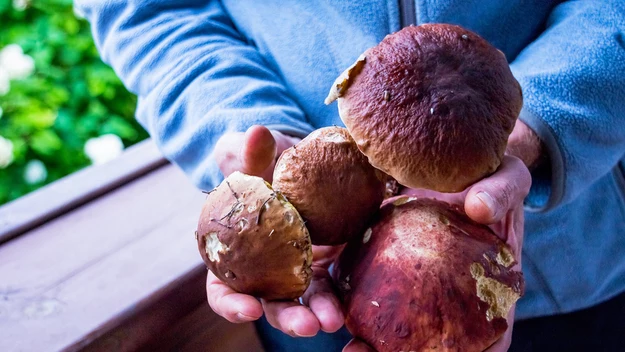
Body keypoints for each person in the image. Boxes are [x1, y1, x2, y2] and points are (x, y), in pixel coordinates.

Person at [75, 1, 625, 351]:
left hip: (586, 264)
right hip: (327, 286)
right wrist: (244, 126)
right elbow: (147, 10)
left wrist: (544, 120)